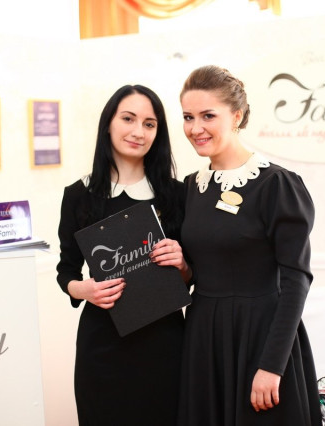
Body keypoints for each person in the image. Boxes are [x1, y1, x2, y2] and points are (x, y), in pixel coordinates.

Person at [176, 65, 322, 426]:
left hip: (261, 338)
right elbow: (195, 270)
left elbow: (296, 281)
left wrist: (272, 366)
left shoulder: (277, 185)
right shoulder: (190, 188)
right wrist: (182, 268)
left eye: (208, 115)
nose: (195, 128)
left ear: (237, 116)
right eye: (188, 117)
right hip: (203, 338)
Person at [56, 84, 191, 425]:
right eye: (128, 119)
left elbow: (192, 276)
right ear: (108, 124)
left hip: (164, 344)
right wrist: (84, 289)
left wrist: (182, 263)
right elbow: (66, 270)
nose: (138, 131)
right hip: (102, 346)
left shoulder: (177, 195)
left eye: (149, 124)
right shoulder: (79, 195)